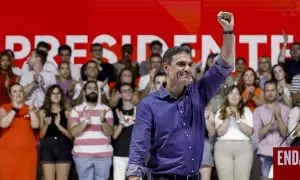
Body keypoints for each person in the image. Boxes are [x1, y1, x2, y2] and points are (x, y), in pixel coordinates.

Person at [126, 11, 235, 180]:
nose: (187, 68)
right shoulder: (148, 105)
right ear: (166, 68)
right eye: (181, 64)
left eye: (189, 64)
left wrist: (228, 32)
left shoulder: (200, 92)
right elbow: (138, 151)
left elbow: (225, 64)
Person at [69, 81, 114, 180]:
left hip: (103, 155)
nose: (92, 90)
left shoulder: (106, 109)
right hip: (82, 155)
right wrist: (85, 121)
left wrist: (103, 120)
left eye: (95, 88)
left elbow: (110, 133)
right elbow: (73, 133)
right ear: (84, 92)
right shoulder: (76, 110)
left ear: (98, 92)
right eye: (89, 88)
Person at [0, 83, 39, 180]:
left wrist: (31, 112)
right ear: (10, 95)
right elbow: (3, 124)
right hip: (8, 152)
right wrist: (14, 109)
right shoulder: (4, 108)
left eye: (20, 91)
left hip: (28, 153)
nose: (18, 93)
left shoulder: (29, 108)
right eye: (15, 91)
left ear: (24, 93)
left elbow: (36, 125)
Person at [214, 86, 254, 180]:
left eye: (237, 94)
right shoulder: (220, 111)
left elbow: (249, 132)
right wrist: (227, 117)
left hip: (243, 147)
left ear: (240, 97)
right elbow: (219, 132)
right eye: (231, 93)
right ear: (227, 96)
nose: (234, 96)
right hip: (223, 148)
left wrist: (238, 119)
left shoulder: (247, 111)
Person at [253, 80, 290, 180]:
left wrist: (280, 120)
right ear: (264, 93)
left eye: (273, 90)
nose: (270, 93)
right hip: (265, 153)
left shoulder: (287, 110)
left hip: (283, 153)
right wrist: (270, 124)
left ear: (277, 92)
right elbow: (257, 134)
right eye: (267, 90)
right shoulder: (258, 111)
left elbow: (285, 134)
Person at [39, 85, 73, 180]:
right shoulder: (43, 112)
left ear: (61, 95)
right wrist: (46, 124)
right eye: (53, 93)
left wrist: (60, 127)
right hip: (47, 147)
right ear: (49, 96)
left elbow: (71, 136)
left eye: (58, 93)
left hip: (64, 147)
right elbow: (41, 136)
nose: (56, 95)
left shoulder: (67, 112)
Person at [112, 83, 136, 180]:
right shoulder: (115, 111)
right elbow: (114, 136)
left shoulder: (140, 110)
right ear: (120, 94)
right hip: (119, 155)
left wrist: (137, 122)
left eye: (129, 90)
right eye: (124, 90)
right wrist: (121, 123)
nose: (127, 92)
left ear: (132, 93)